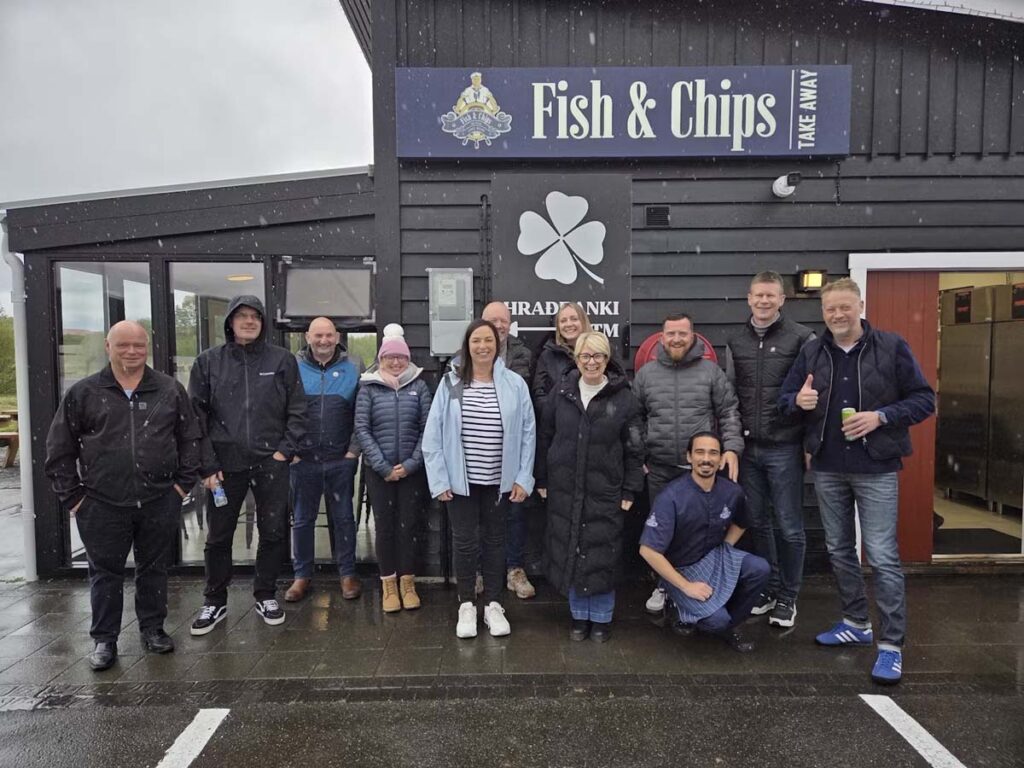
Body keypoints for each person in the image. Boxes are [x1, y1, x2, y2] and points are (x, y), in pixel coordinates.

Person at [779, 277, 935, 685]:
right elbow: (786, 398)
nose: (837, 315)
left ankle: (891, 646)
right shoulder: (813, 350)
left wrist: (881, 417)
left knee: (882, 555)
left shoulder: (891, 346)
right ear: (823, 311)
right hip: (829, 465)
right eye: (831, 309)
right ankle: (855, 621)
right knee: (839, 549)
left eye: (845, 307)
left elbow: (924, 399)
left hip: (877, 466)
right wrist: (798, 401)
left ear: (860, 305)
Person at [44, 321, 201, 671]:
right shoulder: (84, 393)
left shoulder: (168, 390)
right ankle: (104, 640)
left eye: (139, 345)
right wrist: (74, 499)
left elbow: (191, 438)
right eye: (124, 345)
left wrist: (181, 487)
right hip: (101, 503)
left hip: (159, 498)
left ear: (148, 348)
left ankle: (153, 629)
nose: (132, 352)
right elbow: (59, 450)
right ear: (108, 347)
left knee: (154, 569)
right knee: (105, 573)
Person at [188, 295, 307, 634]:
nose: (249, 321)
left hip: (271, 462)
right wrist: (207, 465)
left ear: (263, 322)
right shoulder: (209, 362)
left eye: (255, 316)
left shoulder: (281, 360)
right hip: (225, 467)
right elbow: (197, 419)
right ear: (230, 322)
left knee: (272, 531)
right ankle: (214, 600)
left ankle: (266, 593)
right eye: (242, 316)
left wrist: (284, 450)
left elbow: (298, 409)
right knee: (218, 536)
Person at [423, 319, 535, 639]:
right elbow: (432, 437)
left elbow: (528, 433)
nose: (483, 346)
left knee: (496, 542)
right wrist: (440, 480)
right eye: (476, 341)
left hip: (500, 480)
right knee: (465, 542)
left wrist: (523, 477)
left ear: (497, 345)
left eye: (488, 340)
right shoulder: (451, 383)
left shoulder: (514, 384)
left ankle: (494, 605)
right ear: (467, 346)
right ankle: (467, 604)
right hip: (461, 481)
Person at [535, 332, 644, 642]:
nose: (591, 362)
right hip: (565, 487)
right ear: (577, 359)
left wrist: (629, 490)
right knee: (572, 547)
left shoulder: (624, 398)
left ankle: (601, 619)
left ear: (607, 360)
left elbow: (635, 447)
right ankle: (579, 617)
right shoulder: (562, 393)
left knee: (602, 553)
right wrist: (542, 479)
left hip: (605, 489)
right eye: (585, 356)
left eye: (598, 356)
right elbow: (546, 437)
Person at [633, 313, 744, 614]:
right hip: (659, 468)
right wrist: (641, 455)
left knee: (699, 532)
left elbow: (729, 410)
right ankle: (663, 584)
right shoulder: (646, 375)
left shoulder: (710, 372)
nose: (677, 339)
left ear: (693, 336)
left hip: (702, 471)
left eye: (683, 333)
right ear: (661, 337)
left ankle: (705, 578)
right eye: (671, 334)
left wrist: (731, 448)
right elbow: (634, 419)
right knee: (662, 534)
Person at [725, 271, 815, 629]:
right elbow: (729, 398)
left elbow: (812, 397)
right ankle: (770, 588)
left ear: (782, 300)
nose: (763, 302)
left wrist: (809, 442)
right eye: (758, 295)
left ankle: (789, 596)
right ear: (749, 298)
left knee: (790, 526)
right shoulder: (735, 340)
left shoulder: (802, 338)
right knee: (757, 522)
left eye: (770, 296)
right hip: (749, 448)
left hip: (785, 447)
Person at [639, 432, 770, 653]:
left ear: (721, 459)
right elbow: (648, 550)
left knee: (760, 568)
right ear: (689, 457)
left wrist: (726, 547)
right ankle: (678, 606)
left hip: (715, 557)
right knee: (715, 621)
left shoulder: (732, 491)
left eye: (713, 453)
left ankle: (731, 624)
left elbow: (742, 522)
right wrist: (686, 586)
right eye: (699, 452)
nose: (706, 459)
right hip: (681, 571)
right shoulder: (671, 497)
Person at [284, 317, 363, 603]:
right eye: (318, 335)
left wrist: (353, 450)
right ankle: (302, 576)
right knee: (302, 520)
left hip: (340, 459)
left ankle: (347, 574)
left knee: (343, 519)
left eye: (329, 335)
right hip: (302, 461)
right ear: (307, 337)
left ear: (337, 336)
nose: (323, 341)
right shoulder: (292, 366)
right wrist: (290, 451)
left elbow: (361, 412)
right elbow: (282, 410)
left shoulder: (353, 365)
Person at [354, 327, 432, 612]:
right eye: (390, 357)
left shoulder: (419, 387)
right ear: (381, 359)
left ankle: (407, 583)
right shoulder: (368, 387)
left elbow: (428, 429)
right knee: (384, 528)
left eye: (401, 357)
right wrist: (384, 467)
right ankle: (388, 584)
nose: (396, 362)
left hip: (412, 471)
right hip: (380, 472)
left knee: (408, 527)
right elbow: (362, 428)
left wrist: (411, 464)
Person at [482, 300, 535, 600]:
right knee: (479, 515)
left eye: (504, 320)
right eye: (493, 320)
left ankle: (514, 569)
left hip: (513, 446)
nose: (499, 325)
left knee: (515, 512)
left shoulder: (523, 353)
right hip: (479, 450)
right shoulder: (464, 354)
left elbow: (529, 402)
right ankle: (478, 570)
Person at [531, 301, 592, 404]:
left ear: (583, 321)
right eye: (563, 321)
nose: (568, 324)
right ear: (558, 326)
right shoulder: (547, 356)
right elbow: (539, 394)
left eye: (574, 319)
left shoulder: (601, 350)